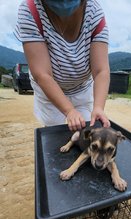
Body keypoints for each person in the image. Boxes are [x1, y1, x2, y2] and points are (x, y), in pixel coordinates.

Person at [14, 0, 110, 131]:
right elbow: (42, 74)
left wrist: (98, 107)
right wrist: (69, 110)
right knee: (55, 129)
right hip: (48, 87)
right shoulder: (30, 10)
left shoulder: (94, 12)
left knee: (86, 127)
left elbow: (101, 71)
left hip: (81, 87)